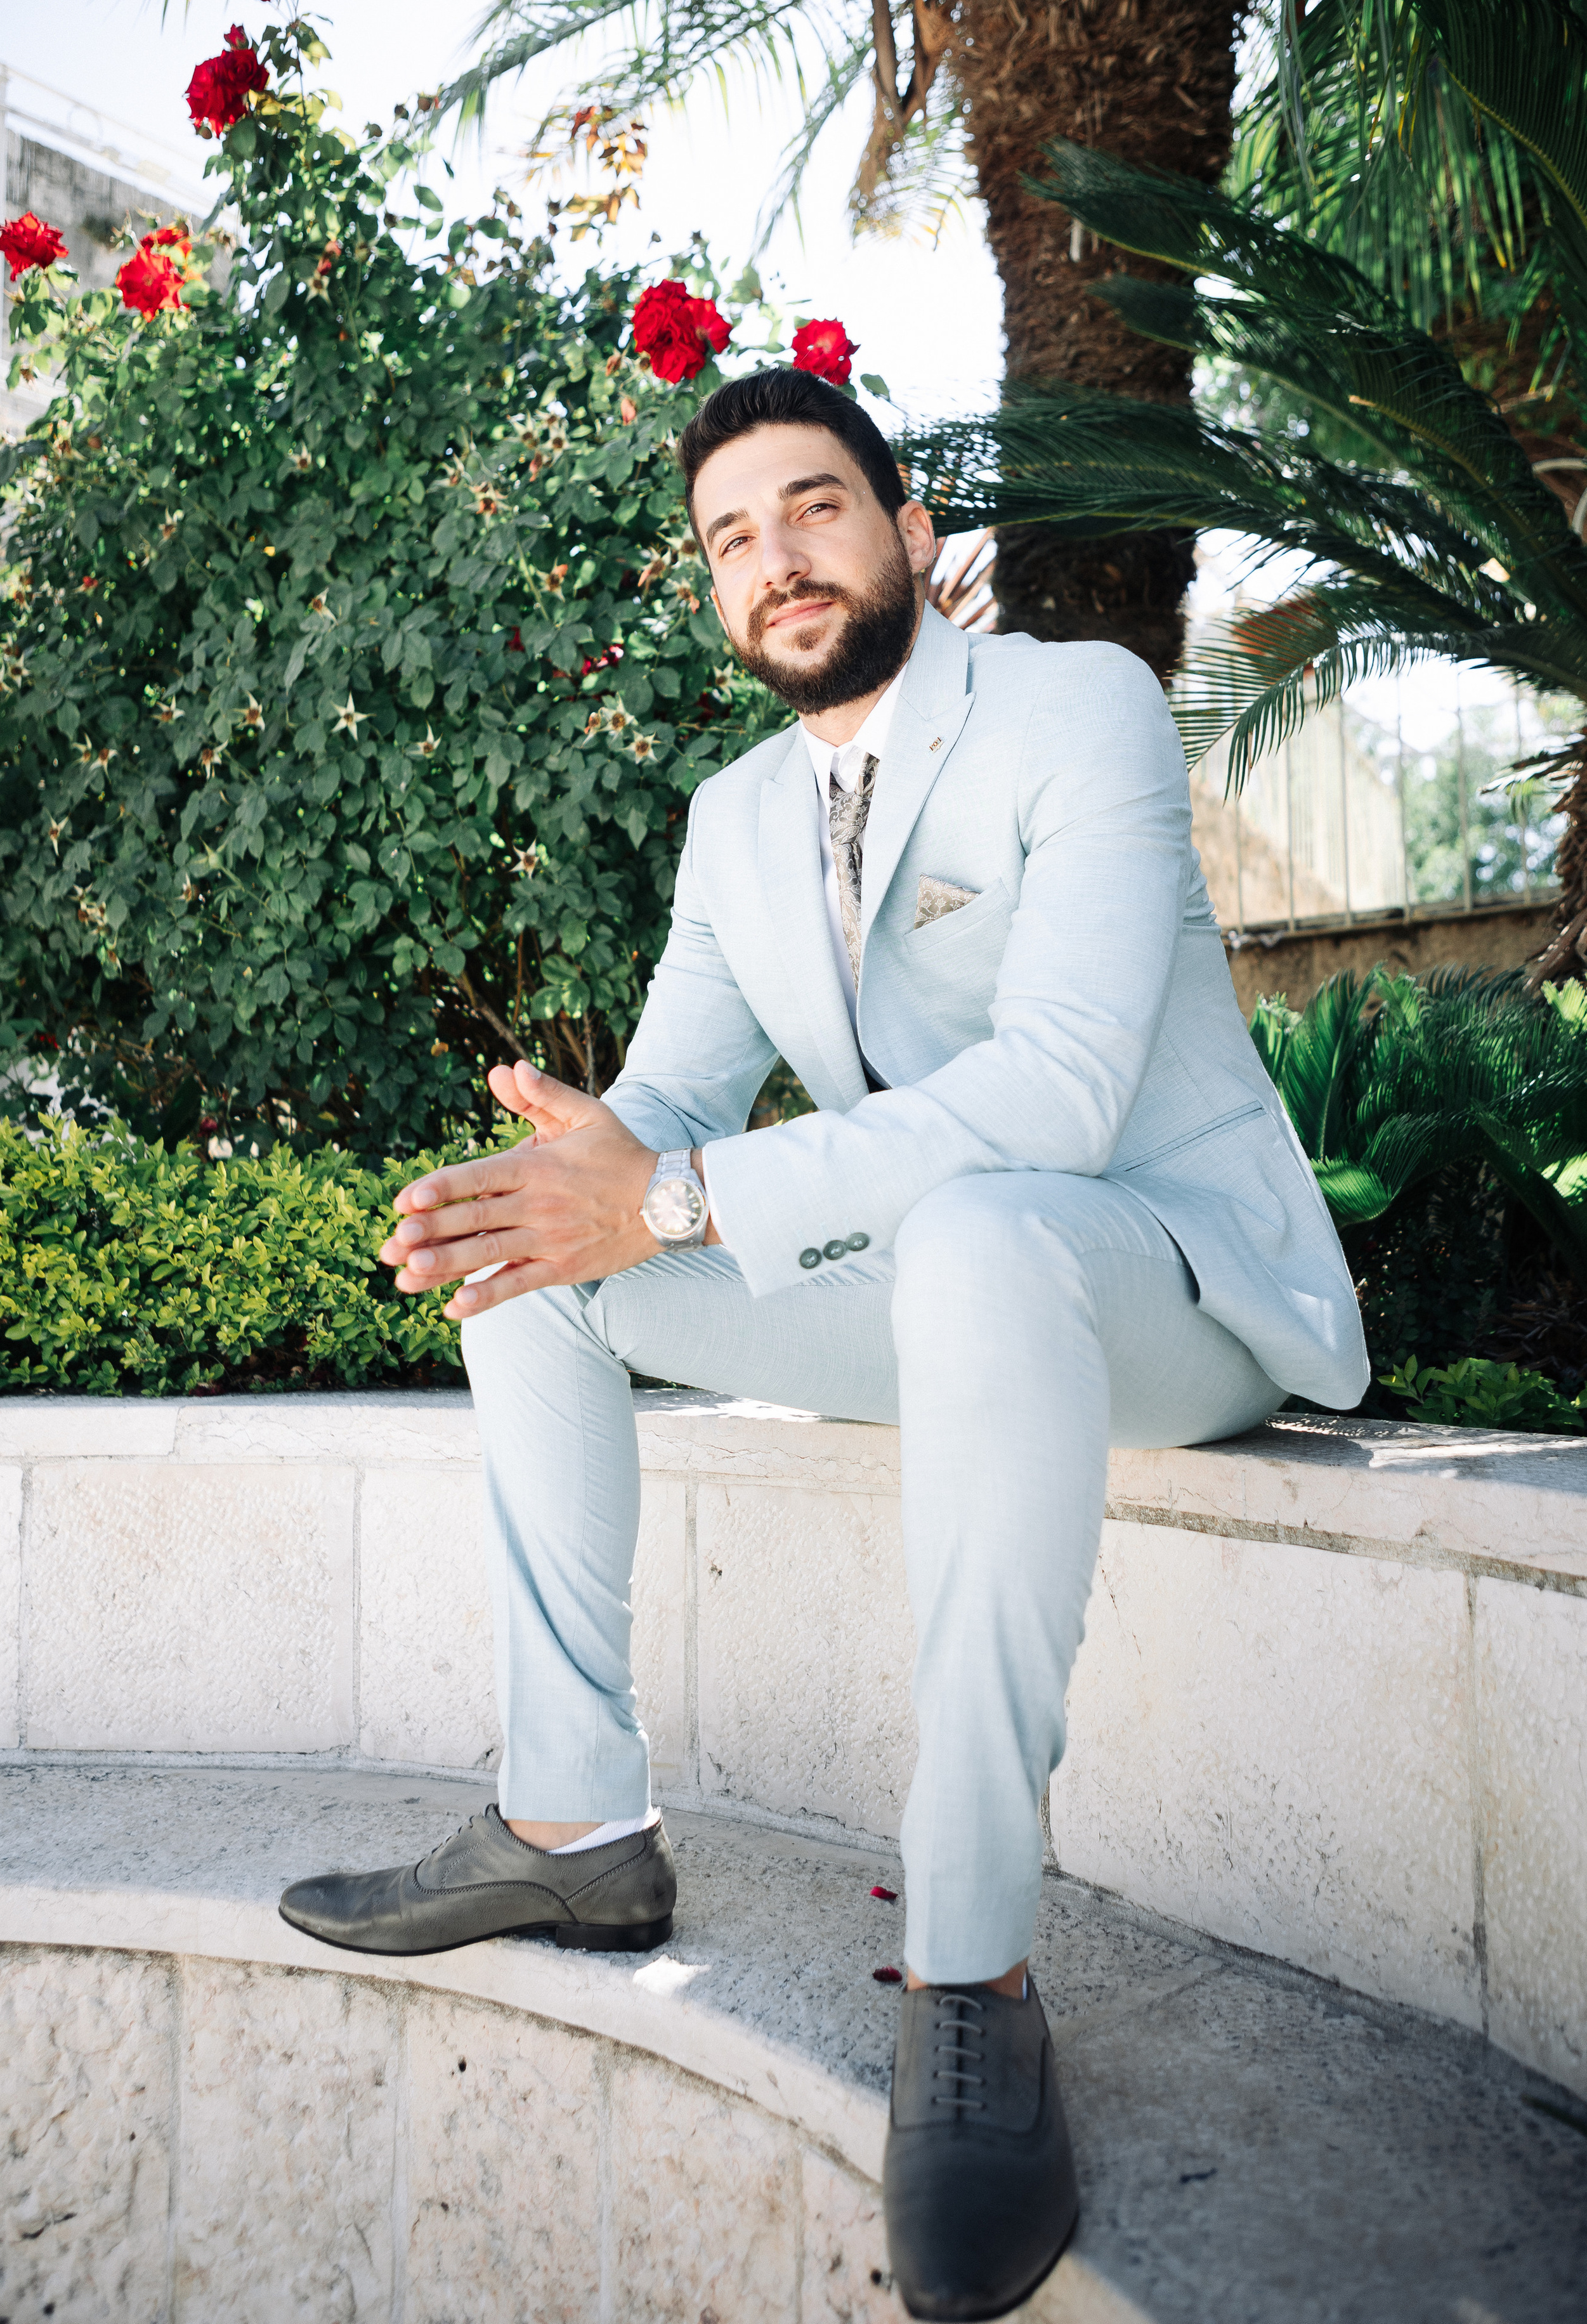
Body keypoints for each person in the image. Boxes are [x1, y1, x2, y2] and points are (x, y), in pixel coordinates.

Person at [279, 366, 1367, 2321]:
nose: (774, 559)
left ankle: (971, 1978)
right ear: (713, 595)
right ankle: (573, 1821)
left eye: (814, 508)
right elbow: (673, 1109)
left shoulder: (1072, 709)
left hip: (1171, 1294)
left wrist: (679, 1199)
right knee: (527, 1260)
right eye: (730, 538)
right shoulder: (733, 821)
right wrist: (570, 1177)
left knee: (959, 1235)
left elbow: (1053, 1096)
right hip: (950, 1278)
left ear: (909, 534)